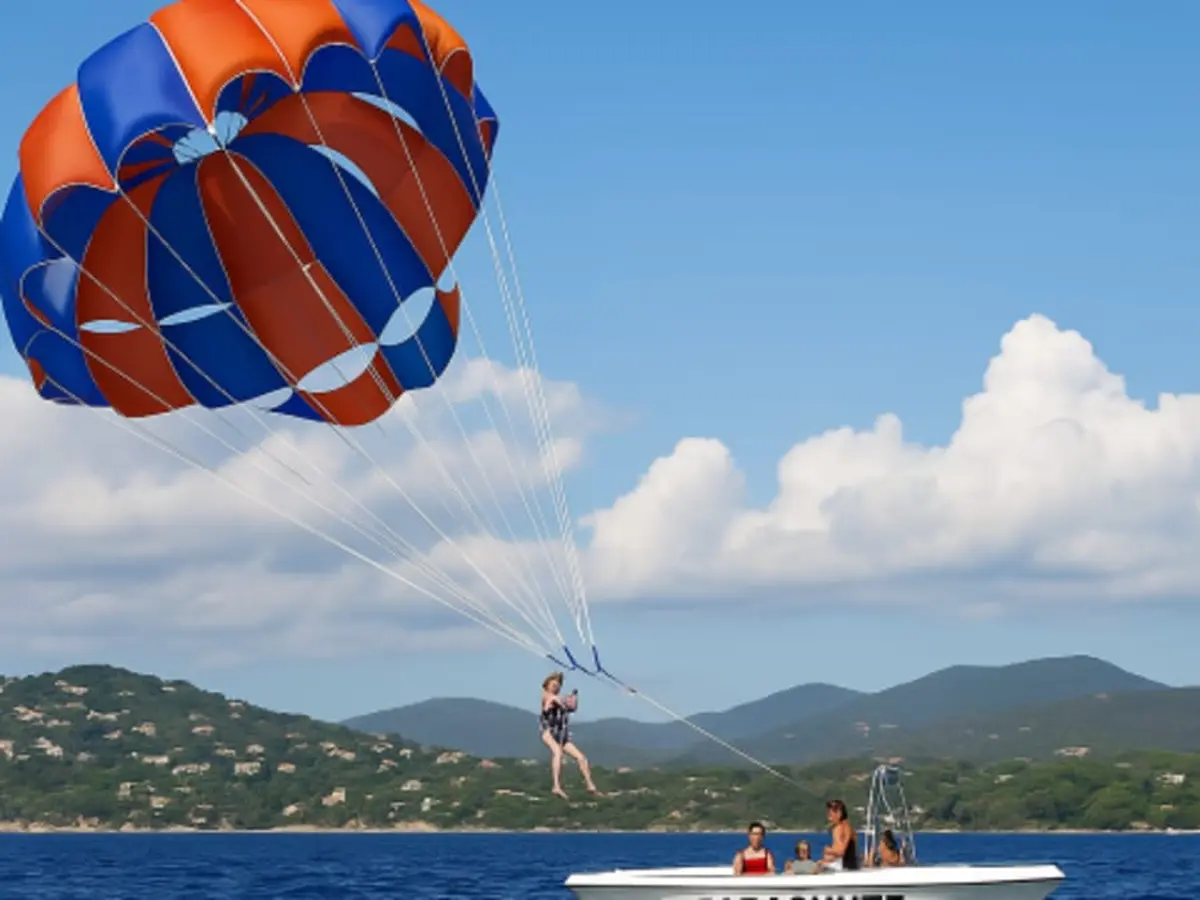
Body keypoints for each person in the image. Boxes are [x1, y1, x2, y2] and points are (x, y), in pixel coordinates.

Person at [539, 671, 599, 799]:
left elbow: (572, 708)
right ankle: (556, 786)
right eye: (553, 684)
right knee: (558, 753)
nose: (556, 687)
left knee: (581, 757)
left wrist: (574, 697)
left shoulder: (559, 698)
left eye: (558, 685)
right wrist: (566, 700)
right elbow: (554, 700)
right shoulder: (546, 696)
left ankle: (589, 783)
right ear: (547, 685)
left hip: (562, 734)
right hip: (548, 732)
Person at [820, 799, 859, 871]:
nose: (829, 818)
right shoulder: (848, 827)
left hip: (843, 867)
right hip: (852, 866)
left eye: (830, 814)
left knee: (818, 866)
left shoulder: (838, 828)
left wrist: (828, 850)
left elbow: (840, 851)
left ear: (839, 813)